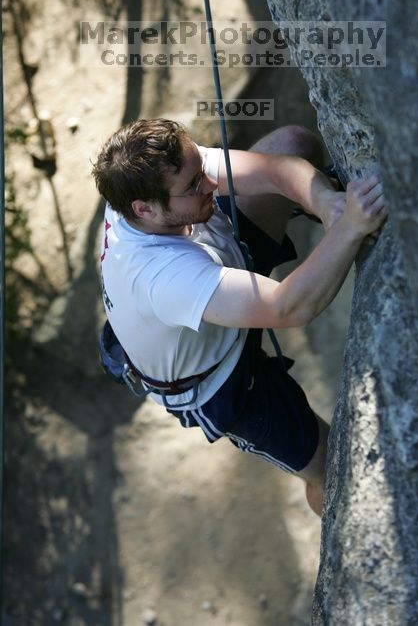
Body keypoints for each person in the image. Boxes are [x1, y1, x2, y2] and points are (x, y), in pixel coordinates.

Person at [92, 119, 386, 515]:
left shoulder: (149, 182)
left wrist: (327, 205)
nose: (210, 184)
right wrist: (349, 228)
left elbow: (273, 169)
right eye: (194, 186)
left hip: (219, 264)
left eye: (201, 172)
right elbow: (289, 306)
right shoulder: (161, 276)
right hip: (220, 380)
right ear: (144, 209)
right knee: (336, 473)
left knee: (292, 142)